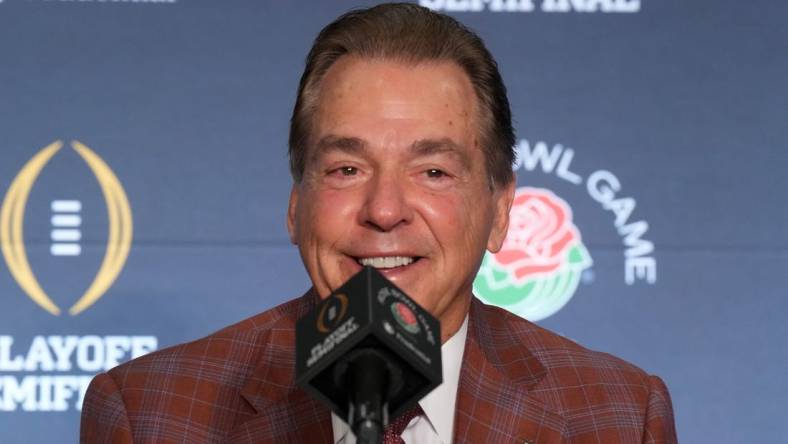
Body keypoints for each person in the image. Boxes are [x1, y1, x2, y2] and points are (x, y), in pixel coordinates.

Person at [80, 3, 677, 443]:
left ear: (499, 213)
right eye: (346, 168)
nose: (385, 210)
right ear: (296, 206)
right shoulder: (150, 414)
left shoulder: (620, 415)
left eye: (434, 172)